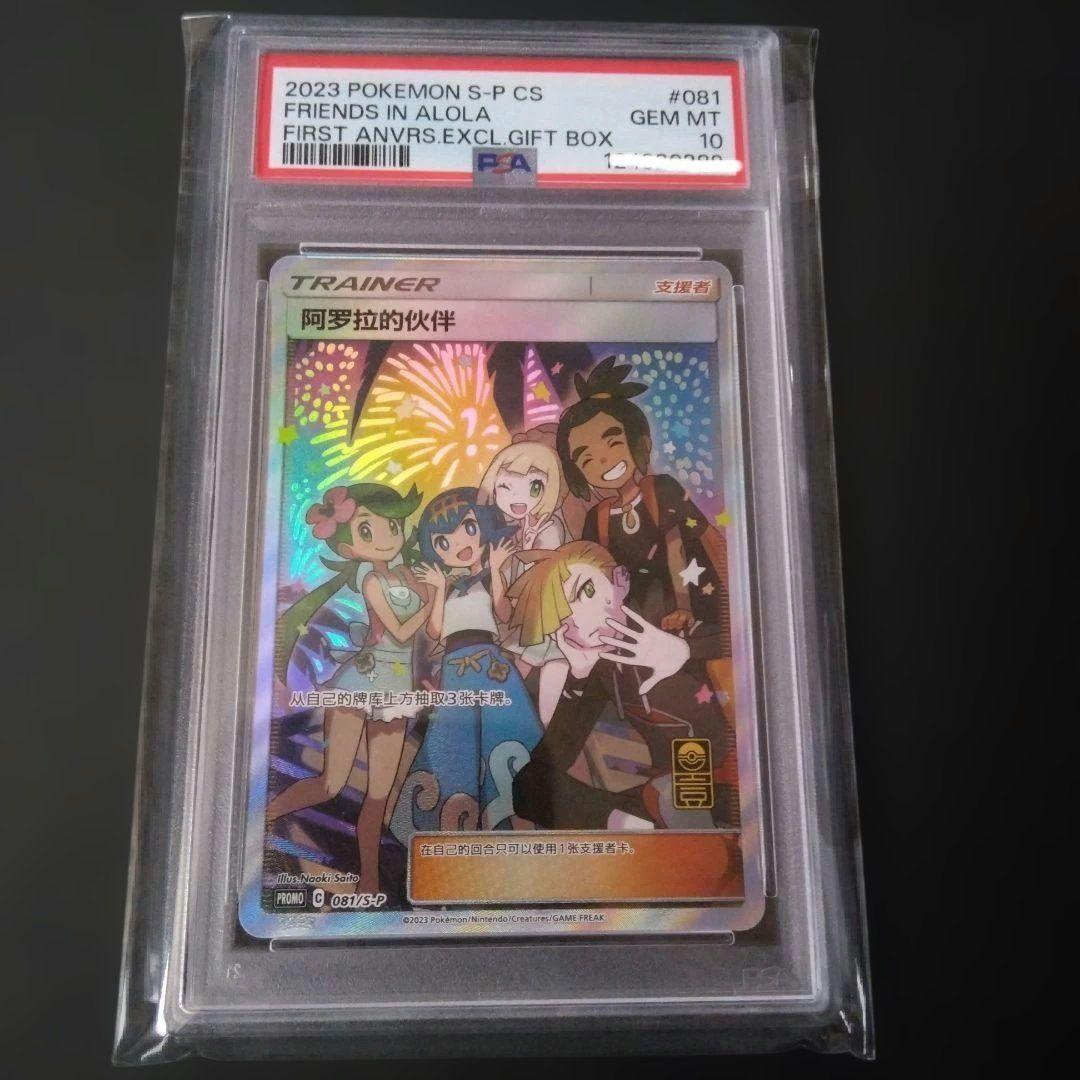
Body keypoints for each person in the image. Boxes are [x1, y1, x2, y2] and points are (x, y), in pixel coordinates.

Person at [268, 483, 430, 895]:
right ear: (349, 548)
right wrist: (430, 602)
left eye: (392, 525)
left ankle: (369, 880)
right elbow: (400, 632)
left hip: (396, 689)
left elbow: (432, 628)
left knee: (379, 795)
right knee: (331, 783)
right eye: (368, 530)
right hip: (359, 683)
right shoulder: (371, 581)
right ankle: (265, 819)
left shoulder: (407, 575)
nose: (386, 536)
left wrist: (437, 594)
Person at [508, 541, 738, 830]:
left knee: (674, 798)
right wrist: (578, 677)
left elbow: (754, 641)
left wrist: (686, 650)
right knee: (528, 787)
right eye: (561, 618)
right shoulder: (601, 666)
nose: (580, 619)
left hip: (728, 787)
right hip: (664, 799)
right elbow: (547, 764)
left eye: (586, 592)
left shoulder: (668, 616)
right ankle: (644, 833)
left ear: (620, 581)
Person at [555, 356, 735, 706]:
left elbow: (675, 547)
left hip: (688, 616)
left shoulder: (661, 489)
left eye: (613, 443)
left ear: (641, 442)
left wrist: (682, 607)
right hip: (633, 624)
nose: (603, 461)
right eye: (586, 459)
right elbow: (596, 575)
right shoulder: (598, 518)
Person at [405, 487, 544, 832]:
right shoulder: (447, 586)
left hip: (491, 665)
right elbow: (435, 631)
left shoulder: (491, 576)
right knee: (456, 745)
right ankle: (456, 825)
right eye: (443, 541)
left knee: (506, 737)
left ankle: (512, 817)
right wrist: (440, 588)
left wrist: (495, 570)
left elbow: (504, 614)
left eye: (468, 528)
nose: (459, 544)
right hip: (455, 668)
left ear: (484, 526)